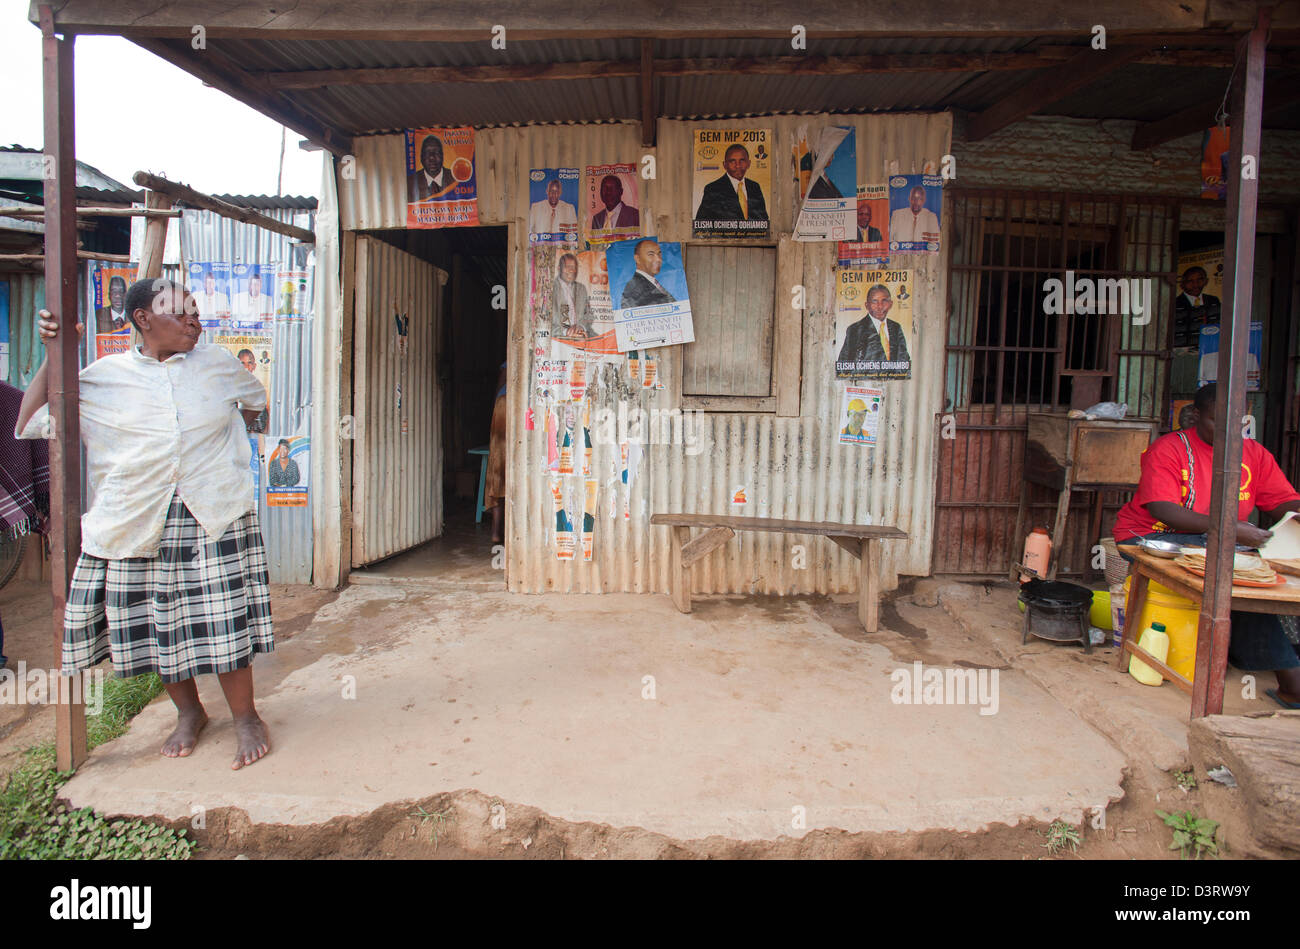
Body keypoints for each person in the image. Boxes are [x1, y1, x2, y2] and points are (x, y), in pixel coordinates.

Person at [16, 278, 273, 769]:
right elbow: (30, 424)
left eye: (195, 311)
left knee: (225, 624)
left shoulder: (219, 365)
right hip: (136, 519)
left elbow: (255, 404)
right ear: (142, 319)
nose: (194, 321)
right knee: (163, 627)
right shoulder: (100, 378)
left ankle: (245, 717)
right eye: (180, 313)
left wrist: (231, 446)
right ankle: (189, 713)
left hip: (211, 514)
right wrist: (56, 357)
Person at [1112, 382, 1300, 707]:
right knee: (1234, 579)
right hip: (1153, 536)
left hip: (1213, 540)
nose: (1229, 431)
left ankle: (1268, 666)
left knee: (1264, 582)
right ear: (1196, 416)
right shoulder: (1169, 448)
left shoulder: (1253, 454)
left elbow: (1283, 501)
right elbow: (1164, 510)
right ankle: (1291, 682)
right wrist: (1232, 530)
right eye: (1218, 421)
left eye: (1237, 423)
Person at [837, 284, 912, 369]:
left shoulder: (896, 327)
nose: (880, 306)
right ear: (867, 305)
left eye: (884, 301)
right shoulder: (855, 330)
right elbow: (843, 367)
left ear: (891, 304)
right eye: (874, 301)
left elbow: (905, 363)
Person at [693, 144, 769, 223]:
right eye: (732, 161)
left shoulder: (755, 187)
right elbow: (701, 225)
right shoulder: (712, 189)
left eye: (742, 160)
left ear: (748, 163)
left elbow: (764, 222)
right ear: (724, 165)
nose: (738, 165)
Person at [485, 363, 507, 545]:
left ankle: (496, 533)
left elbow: (500, 386)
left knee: (498, 479)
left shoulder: (505, 367)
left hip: (502, 409)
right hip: (511, 409)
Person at [1174, 265, 1223, 349]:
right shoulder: (1175, 304)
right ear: (1182, 284)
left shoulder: (1213, 300)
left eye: (1199, 280)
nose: (1195, 285)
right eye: (1190, 281)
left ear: (1206, 281)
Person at [619, 239, 675, 309]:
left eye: (659, 254)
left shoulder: (653, 281)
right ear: (637, 259)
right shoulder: (634, 288)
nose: (658, 259)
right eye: (651, 254)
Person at [551, 253, 593, 338]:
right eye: (567, 267)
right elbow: (543, 323)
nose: (571, 270)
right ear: (559, 268)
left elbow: (589, 314)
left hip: (581, 335)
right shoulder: (550, 289)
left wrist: (581, 326)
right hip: (558, 338)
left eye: (573, 267)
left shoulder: (581, 288)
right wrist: (566, 332)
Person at [407, 133, 453, 203]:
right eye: (427, 153)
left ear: (443, 156)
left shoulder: (455, 179)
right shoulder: (411, 183)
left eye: (436, 152)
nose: (432, 157)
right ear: (421, 157)